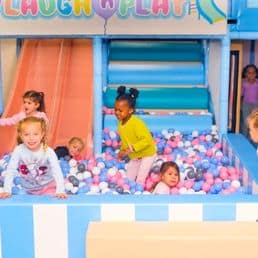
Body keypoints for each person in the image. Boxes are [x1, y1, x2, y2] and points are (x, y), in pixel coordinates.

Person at [0, 117, 67, 199]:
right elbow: (11, 170)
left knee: (51, 202)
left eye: (35, 134)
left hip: (46, 187)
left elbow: (56, 170)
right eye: (26, 134)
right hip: (26, 189)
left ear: (42, 134)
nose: (31, 138)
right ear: (21, 136)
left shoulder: (48, 151)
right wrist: (7, 190)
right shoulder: (19, 150)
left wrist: (60, 190)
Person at [115, 86, 156, 185]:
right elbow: (126, 140)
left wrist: (132, 148)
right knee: (128, 181)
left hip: (147, 154)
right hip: (135, 156)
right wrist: (122, 151)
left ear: (130, 110)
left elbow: (146, 140)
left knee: (140, 181)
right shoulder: (120, 123)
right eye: (115, 109)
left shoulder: (136, 123)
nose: (117, 113)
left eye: (120, 111)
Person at [240, 64, 258, 136]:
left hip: (255, 105)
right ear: (245, 74)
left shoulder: (257, 83)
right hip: (246, 104)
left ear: (256, 74)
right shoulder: (244, 83)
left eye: (253, 73)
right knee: (245, 121)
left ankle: (253, 137)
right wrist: (240, 105)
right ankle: (244, 137)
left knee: (254, 121)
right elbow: (241, 95)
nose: (251, 75)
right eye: (249, 73)